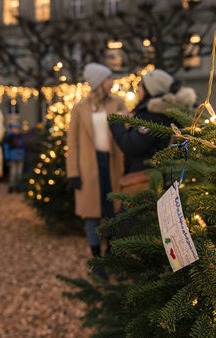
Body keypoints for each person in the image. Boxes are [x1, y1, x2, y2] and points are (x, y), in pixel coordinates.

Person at [66, 63, 126, 261]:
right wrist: (73, 172)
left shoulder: (118, 103)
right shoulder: (80, 108)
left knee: (113, 209)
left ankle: (111, 252)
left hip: (112, 164)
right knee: (91, 213)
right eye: (109, 79)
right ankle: (96, 257)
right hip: (88, 167)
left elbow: (128, 124)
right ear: (99, 82)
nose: (112, 82)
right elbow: (72, 142)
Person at [109, 69, 197, 189]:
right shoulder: (168, 111)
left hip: (146, 180)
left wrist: (116, 122)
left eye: (141, 85)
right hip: (162, 178)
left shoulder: (151, 115)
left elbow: (133, 145)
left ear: (151, 89)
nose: (138, 89)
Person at [3, 121, 25, 193]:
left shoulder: (20, 137)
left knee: (19, 172)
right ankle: (11, 186)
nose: (15, 130)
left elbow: (23, 147)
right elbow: (6, 148)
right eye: (14, 128)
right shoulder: (9, 138)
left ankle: (18, 186)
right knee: (13, 172)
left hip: (20, 156)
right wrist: (7, 158)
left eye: (16, 128)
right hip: (12, 157)